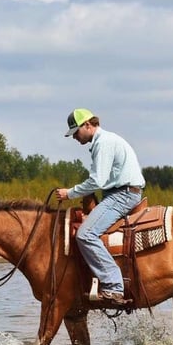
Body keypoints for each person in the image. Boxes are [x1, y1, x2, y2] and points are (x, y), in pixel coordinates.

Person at [55, 108, 146, 305]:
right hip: (120, 192)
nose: (74, 138)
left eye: (76, 132)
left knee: (85, 234)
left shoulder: (103, 143)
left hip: (122, 195)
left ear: (88, 125)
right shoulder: (105, 141)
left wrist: (69, 193)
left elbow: (97, 180)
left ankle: (114, 286)